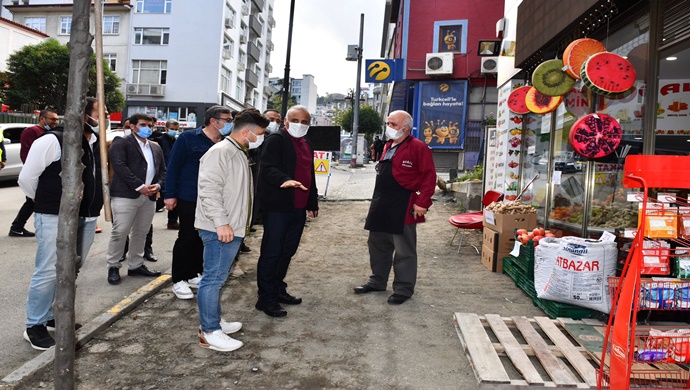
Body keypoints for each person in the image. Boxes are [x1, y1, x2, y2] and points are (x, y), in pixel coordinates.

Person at [18, 98, 104, 350]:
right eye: (102, 112)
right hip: (55, 215)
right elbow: (27, 178)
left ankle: (55, 314)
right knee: (48, 270)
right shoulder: (52, 140)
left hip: (86, 215)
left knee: (71, 268)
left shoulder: (95, 143)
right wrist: (44, 200)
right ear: (84, 115)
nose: (107, 118)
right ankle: (35, 324)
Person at [195, 108, 269, 351]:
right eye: (259, 133)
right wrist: (221, 223)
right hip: (220, 228)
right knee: (213, 279)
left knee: (218, 278)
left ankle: (213, 321)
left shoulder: (237, 151)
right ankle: (210, 331)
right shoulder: (221, 152)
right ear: (246, 132)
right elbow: (209, 190)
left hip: (230, 226)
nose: (261, 138)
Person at [353, 110, 436, 305]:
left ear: (406, 128)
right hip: (381, 203)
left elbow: (429, 177)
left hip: (403, 203)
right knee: (377, 245)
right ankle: (377, 281)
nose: (388, 128)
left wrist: (422, 203)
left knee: (404, 250)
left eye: (393, 124)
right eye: (388, 123)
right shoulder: (388, 146)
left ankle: (403, 288)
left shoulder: (418, 147)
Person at [255, 105, 318, 317]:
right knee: (272, 253)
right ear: (285, 121)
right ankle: (266, 299)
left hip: (298, 207)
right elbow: (268, 168)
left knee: (287, 252)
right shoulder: (276, 140)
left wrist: (312, 202)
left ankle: (278, 289)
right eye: (295, 120)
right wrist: (285, 179)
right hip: (278, 207)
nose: (300, 125)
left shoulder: (306, 143)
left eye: (305, 122)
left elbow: (310, 174)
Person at [165, 106, 228, 300]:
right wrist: (170, 194)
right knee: (187, 237)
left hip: (213, 200)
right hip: (189, 196)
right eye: (226, 119)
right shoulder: (188, 138)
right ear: (213, 121)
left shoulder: (225, 142)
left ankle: (193, 274)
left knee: (204, 238)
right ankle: (179, 279)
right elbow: (173, 166)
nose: (229, 123)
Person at [106, 113, 165, 285]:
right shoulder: (121, 142)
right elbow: (119, 166)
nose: (147, 128)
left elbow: (163, 170)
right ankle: (113, 266)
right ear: (132, 126)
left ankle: (136, 265)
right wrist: (140, 186)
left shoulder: (155, 147)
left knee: (141, 232)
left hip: (150, 196)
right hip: (126, 195)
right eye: (143, 124)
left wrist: (158, 185)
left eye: (150, 125)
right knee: (120, 231)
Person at [9, 109, 60, 238]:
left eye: (57, 119)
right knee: (32, 200)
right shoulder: (31, 131)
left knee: (32, 201)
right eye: (52, 119)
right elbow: (28, 154)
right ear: (42, 118)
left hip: (46, 174)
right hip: (36, 173)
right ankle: (17, 227)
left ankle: (17, 226)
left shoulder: (49, 133)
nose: (55, 122)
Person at [154, 119, 180, 229]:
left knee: (174, 198)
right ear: (166, 129)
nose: (174, 131)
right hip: (162, 173)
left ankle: (172, 221)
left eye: (176, 129)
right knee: (160, 199)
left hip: (173, 173)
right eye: (172, 129)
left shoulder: (177, 141)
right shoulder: (159, 141)